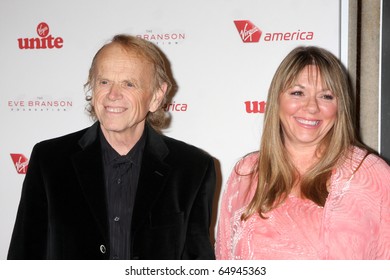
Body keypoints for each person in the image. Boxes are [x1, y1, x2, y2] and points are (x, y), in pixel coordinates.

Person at [8, 34, 216, 260]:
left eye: (129, 84)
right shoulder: (49, 160)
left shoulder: (192, 167)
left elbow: (197, 263)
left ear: (156, 97)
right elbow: (24, 257)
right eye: (104, 82)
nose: (113, 95)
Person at [215, 46, 390, 259]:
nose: (311, 107)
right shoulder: (247, 173)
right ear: (277, 100)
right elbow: (225, 256)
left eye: (326, 96)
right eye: (298, 93)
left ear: (340, 107)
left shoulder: (371, 175)